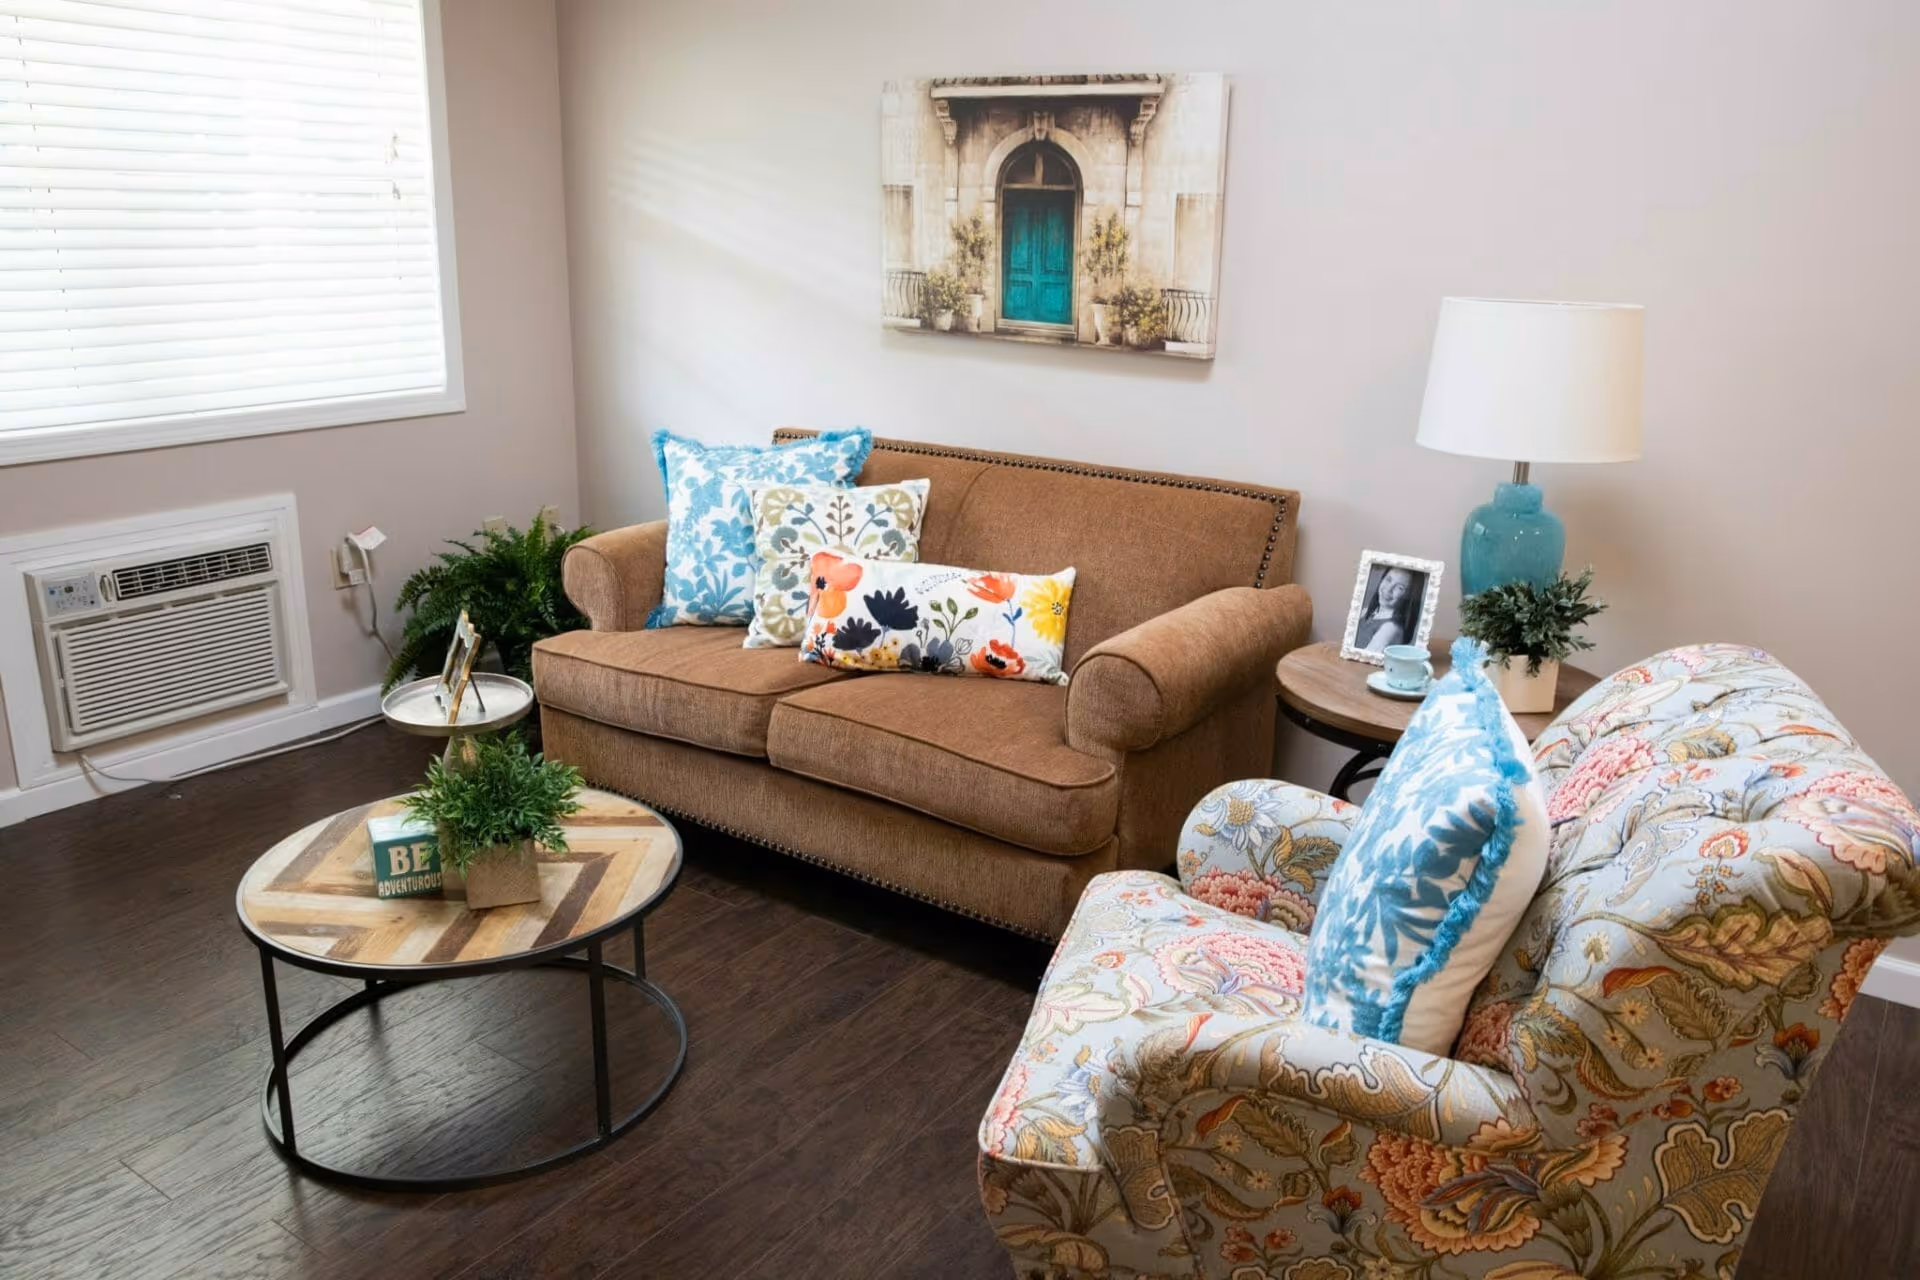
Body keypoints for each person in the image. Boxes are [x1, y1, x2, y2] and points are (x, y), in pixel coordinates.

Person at [1354, 566, 1421, 652]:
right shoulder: (1370, 611)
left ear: (1408, 596)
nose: (1388, 589)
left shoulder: (1390, 628)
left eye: (1400, 588)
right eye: (1388, 580)